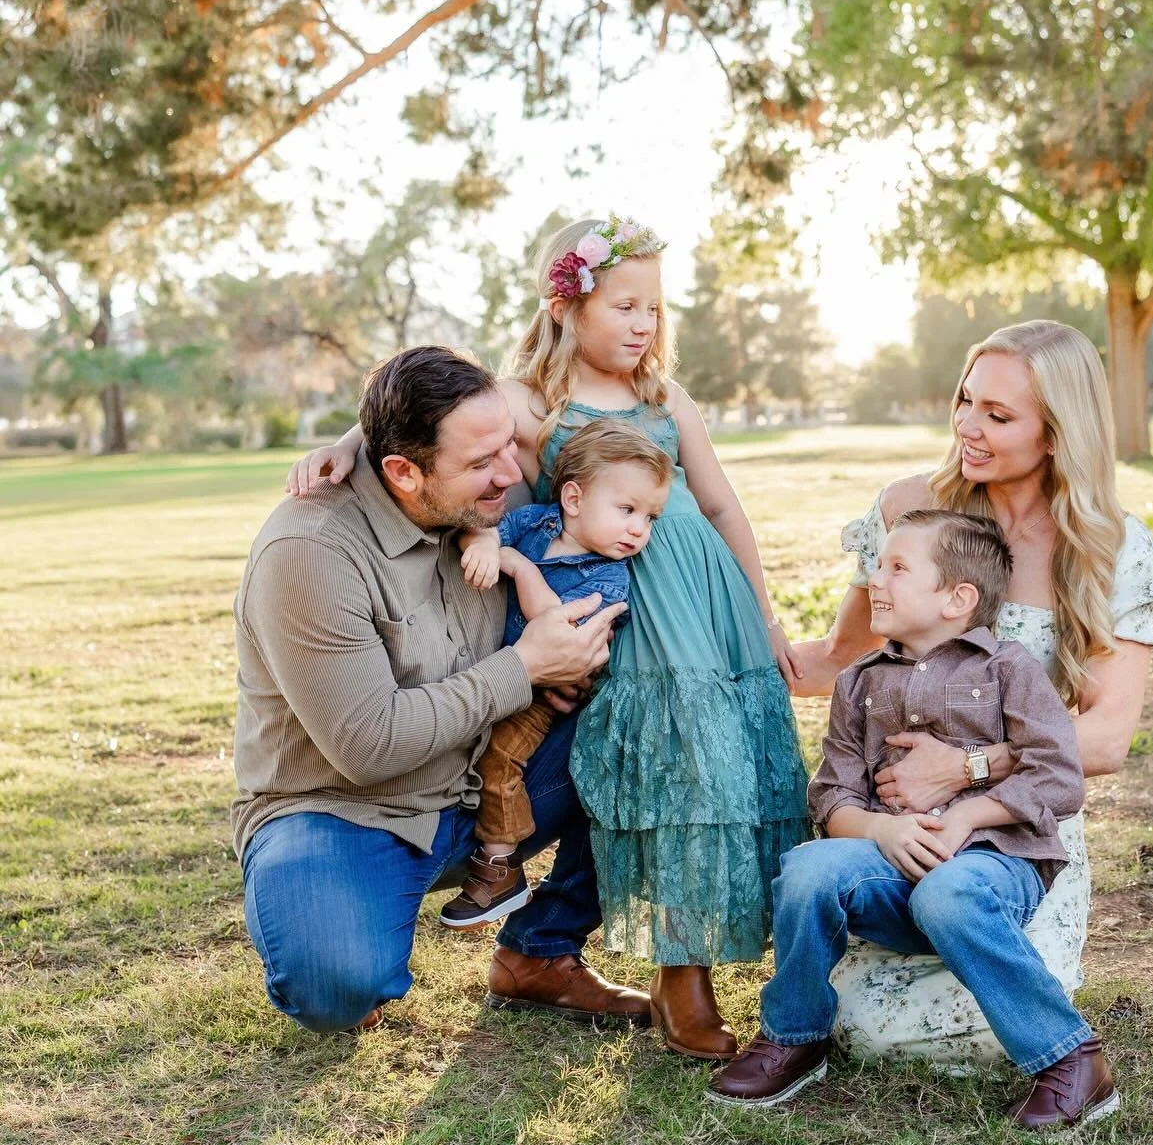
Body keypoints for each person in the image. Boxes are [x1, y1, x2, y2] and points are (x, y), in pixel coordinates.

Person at [288, 215, 811, 1060]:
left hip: (704, 605)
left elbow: (718, 505)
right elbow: (428, 416)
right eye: (625, 305)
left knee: (720, 771)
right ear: (566, 304)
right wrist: (346, 443)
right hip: (622, 617)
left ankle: (685, 956)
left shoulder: (666, 399)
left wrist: (763, 612)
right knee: (655, 773)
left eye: (654, 309)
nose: (644, 325)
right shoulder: (533, 400)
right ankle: (679, 979)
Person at [788, 320, 1153, 1069]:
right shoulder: (912, 510)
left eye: (999, 416)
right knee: (858, 1026)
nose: (968, 425)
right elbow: (840, 660)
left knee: (978, 1032)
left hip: (1018, 833)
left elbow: (1103, 740)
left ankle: (1059, 1046)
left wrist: (965, 768)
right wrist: (723, 649)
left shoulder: (1109, 552)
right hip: (896, 825)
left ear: (1057, 435)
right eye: (967, 400)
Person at [235, 345, 649, 1035]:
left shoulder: (472, 490)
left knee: (648, 727)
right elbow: (368, 745)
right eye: (483, 465)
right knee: (334, 985)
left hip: (487, 784)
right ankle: (347, 921)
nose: (512, 477)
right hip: (344, 810)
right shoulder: (308, 551)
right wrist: (525, 666)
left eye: (507, 448)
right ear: (401, 471)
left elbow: (611, 453)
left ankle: (539, 953)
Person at [710, 508, 1117, 1129]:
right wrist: (883, 829)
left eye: (898, 567)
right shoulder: (859, 684)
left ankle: (1070, 1060)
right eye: (880, 563)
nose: (876, 577)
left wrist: (969, 816)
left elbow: (1057, 774)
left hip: (994, 865)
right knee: (806, 869)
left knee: (948, 893)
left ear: (958, 598)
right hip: (893, 867)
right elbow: (831, 799)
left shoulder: (1009, 669)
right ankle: (795, 1035)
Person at [437, 419, 673, 931]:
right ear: (572, 498)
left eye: (651, 517)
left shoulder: (608, 576)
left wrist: (520, 568)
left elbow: (557, 632)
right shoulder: (533, 523)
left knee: (501, 757)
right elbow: (487, 530)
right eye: (628, 510)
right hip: (503, 673)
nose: (640, 530)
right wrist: (480, 542)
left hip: (545, 691)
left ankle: (498, 865)